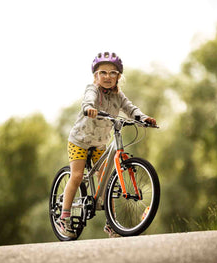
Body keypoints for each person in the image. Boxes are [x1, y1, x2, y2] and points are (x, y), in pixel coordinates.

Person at [57, 52, 156, 238]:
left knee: (106, 181)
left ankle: (111, 224)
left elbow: (130, 109)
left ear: (119, 76)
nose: (108, 77)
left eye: (113, 73)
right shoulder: (93, 90)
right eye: (103, 72)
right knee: (77, 176)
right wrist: (88, 108)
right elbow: (88, 100)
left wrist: (143, 118)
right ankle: (64, 218)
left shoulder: (119, 96)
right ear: (96, 76)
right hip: (80, 140)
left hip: (100, 143)